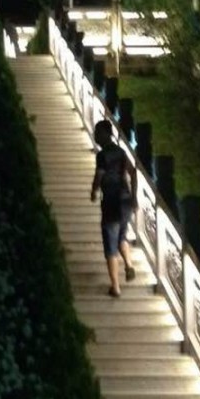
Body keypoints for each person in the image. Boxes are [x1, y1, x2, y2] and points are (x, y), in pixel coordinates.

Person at [90, 117, 136, 297]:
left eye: (97, 133)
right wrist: (134, 197)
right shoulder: (121, 152)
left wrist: (94, 191)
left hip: (111, 200)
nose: (95, 136)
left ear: (105, 134)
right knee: (122, 236)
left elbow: (99, 175)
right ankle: (129, 265)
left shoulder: (102, 155)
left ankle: (115, 287)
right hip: (125, 199)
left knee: (110, 244)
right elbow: (133, 173)